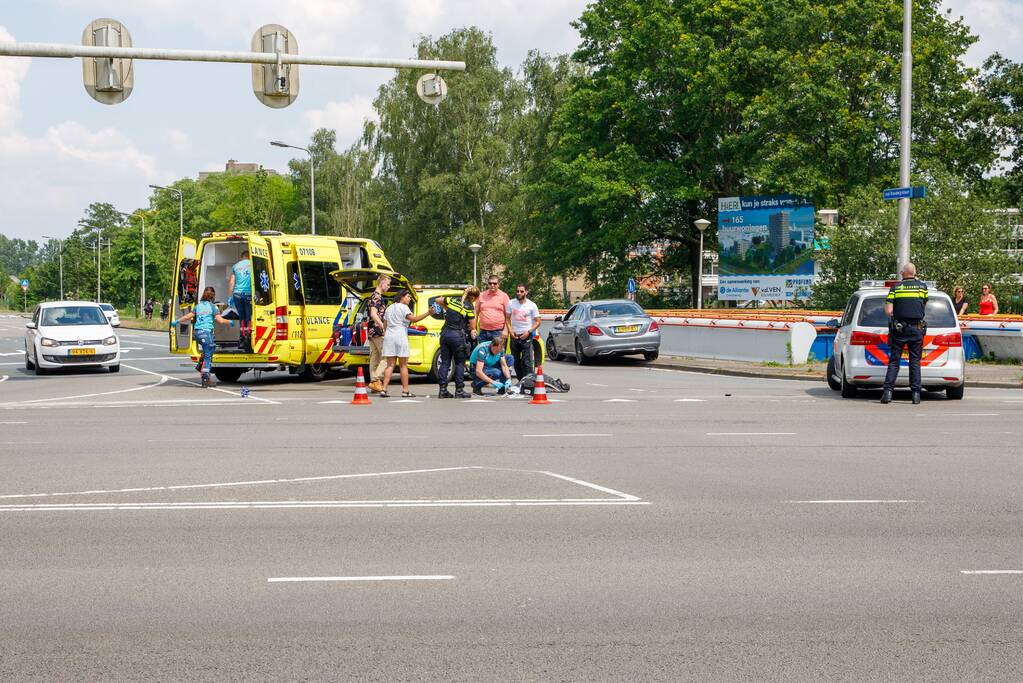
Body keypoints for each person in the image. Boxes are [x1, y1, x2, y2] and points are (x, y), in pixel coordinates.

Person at [881, 262, 928, 405]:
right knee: (914, 362)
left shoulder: (895, 288)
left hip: (899, 329)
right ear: (914, 273)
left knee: (894, 361)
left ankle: (888, 393)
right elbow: (923, 305)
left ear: (903, 273)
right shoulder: (922, 287)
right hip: (916, 329)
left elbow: (888, 311)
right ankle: (916, 395)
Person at [170, 286, 228, 388]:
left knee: (207, 352)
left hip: (197, 333)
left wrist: (178, 321)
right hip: (206, 333)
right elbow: (221, 320)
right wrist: (230, 321)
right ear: (213, 296)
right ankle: (205, 379)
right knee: (208, 356)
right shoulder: (213, 307)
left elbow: (188, 316)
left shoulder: (198, 306)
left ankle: (202, 368)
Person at [380, 289, 433, 398]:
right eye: (408, 296)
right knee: (403, 365)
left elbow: (384, 324)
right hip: (400, 335)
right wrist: (428, 313)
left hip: (389, 336)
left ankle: (384, 389)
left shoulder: (389, 308)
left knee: (390, 365)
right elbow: (414, 319)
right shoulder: (404, 308)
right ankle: (405, 390)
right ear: (402, 297)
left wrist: (387, 333)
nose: (409, 299)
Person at [435, 286, 480, 399]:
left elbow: (438, 300)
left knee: (445, 362)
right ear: (473, 297)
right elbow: (473, 326)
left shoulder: (453, 301)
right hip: (457, 336)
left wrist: (446, 308)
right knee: (460, 362)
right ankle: (459, 390)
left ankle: (443, 390)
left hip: (445, 334)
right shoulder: (469, 307)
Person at [506, 283, 540, 379]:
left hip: (526, 336)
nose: (519, 293)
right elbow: (507, 318)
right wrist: (510, 331)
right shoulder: (511, 303)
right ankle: (521, 382)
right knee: (515, 362)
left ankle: (529, 382)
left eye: (521, 291)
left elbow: (538, 321)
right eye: (517, 291)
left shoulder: (532, 305)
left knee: (527, 362)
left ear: (526, 292)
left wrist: (529, 332)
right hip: (514, 336)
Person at [365, 274, 391, 393]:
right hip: (377, 331)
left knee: (375, 357)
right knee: (386, 357)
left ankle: (374, 384)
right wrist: (382, 326)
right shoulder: (377, 297)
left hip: (370, 331)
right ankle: (375, 380)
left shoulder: (372, 296)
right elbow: (373, 313)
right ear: (381, 283)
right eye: (387, 284)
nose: (389, 287)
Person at [227, 250, 252, 351]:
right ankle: (248, 339)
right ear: (249, 256)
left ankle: (241, 339)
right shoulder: (253, 264)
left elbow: (232, 282)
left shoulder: (235, 266)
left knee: (242, 317)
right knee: (249, 317)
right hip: (249, 294)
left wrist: (230, 296)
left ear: (242, 257)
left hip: (237, 294)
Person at [475, 275, 510, 344]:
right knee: (483, 354)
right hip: (483, 332)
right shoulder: (481, 295)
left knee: (498, 354)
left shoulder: (504, 296)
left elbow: (508, 315)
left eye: (495, 283)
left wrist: (506, 330)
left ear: (498, 284)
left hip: (498, 332)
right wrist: (474, 328)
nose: (492, 285)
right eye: (490, 283)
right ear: (488, 284)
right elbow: (475, 312)